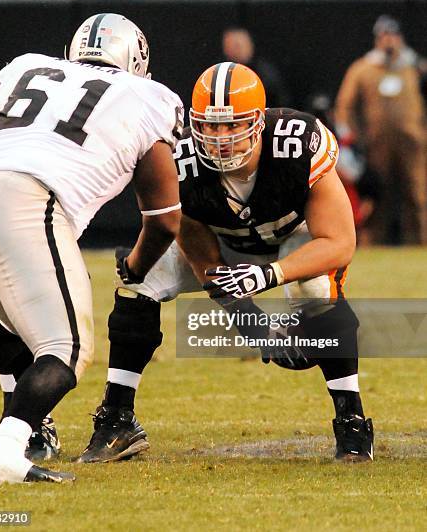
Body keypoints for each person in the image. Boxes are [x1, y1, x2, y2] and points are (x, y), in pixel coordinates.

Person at [78, 62, 374, 465]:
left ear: (259, 122)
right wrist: (248, 317)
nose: (219, 138)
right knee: (140, 281)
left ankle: (352, 420)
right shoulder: (178, 153)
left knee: (315, 289)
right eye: (210, 126)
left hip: (293, 240)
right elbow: (190, 231)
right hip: (224, 242)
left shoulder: (298, 143)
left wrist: (267, 275)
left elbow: (339, 242)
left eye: (232, 125)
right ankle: (116, 418)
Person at [0, 12, 183, 484]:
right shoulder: (149, 96)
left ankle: (7, 446)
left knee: (15, 330)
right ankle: (4, 452)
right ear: (137, 59)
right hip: (27, 201)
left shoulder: (26, 65)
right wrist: (136, 266)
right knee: (67, 347)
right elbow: (165, 218)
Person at [334, 15, 426, 245]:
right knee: (376, 196)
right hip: (376, 144)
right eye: (384, 36)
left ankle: (421, 242)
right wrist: (353, 138)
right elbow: (344, 106)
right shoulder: (364, 68)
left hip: (412, 142)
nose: (389, 41)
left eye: (393, 35)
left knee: (417, 194)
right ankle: (372, 244)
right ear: (377, 40)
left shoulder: (414, 67)